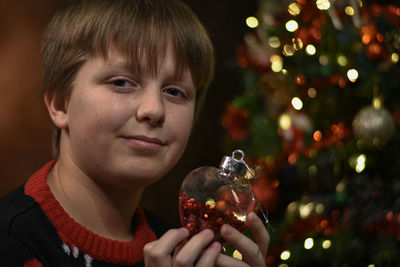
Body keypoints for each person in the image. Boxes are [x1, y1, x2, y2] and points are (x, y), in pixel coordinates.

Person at [0, 0, 270, 266]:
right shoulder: (11, 242)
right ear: (60, 104)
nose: (154, 110)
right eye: (121, 82)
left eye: (174, 91)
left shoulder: (182, 253)